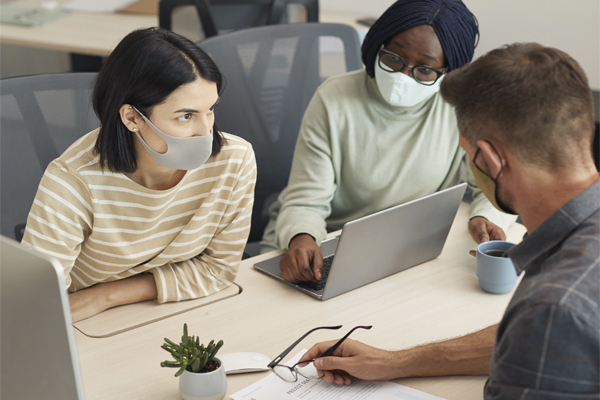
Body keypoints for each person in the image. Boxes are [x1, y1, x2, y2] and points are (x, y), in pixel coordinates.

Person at [299, 43, 600, 398]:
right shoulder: (553, 310)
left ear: (489, 159)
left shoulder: (552, 310)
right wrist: (399, 361)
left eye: (468, 153)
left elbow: (545, 327)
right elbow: (533, 337)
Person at [260, 0, 516, 283]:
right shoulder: (333, 99)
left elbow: (492, 186)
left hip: (406, 248)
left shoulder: (459, 109)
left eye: (424, 69)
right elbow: (305, 202)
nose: (403, 76)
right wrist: (301, 237)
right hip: (328, 242)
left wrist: (485, 219)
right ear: (377, 45)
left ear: (449, 71)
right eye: (393, 58)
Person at [21, 28, 256, 322]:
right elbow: (36, 308)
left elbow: (218, 270)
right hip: (90, 324)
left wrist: (106, 296)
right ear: (132, 118)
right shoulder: (72, 181)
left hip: (174, 310)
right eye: (186, 116)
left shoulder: (234, 160)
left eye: (210, 110)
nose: (206, 130)